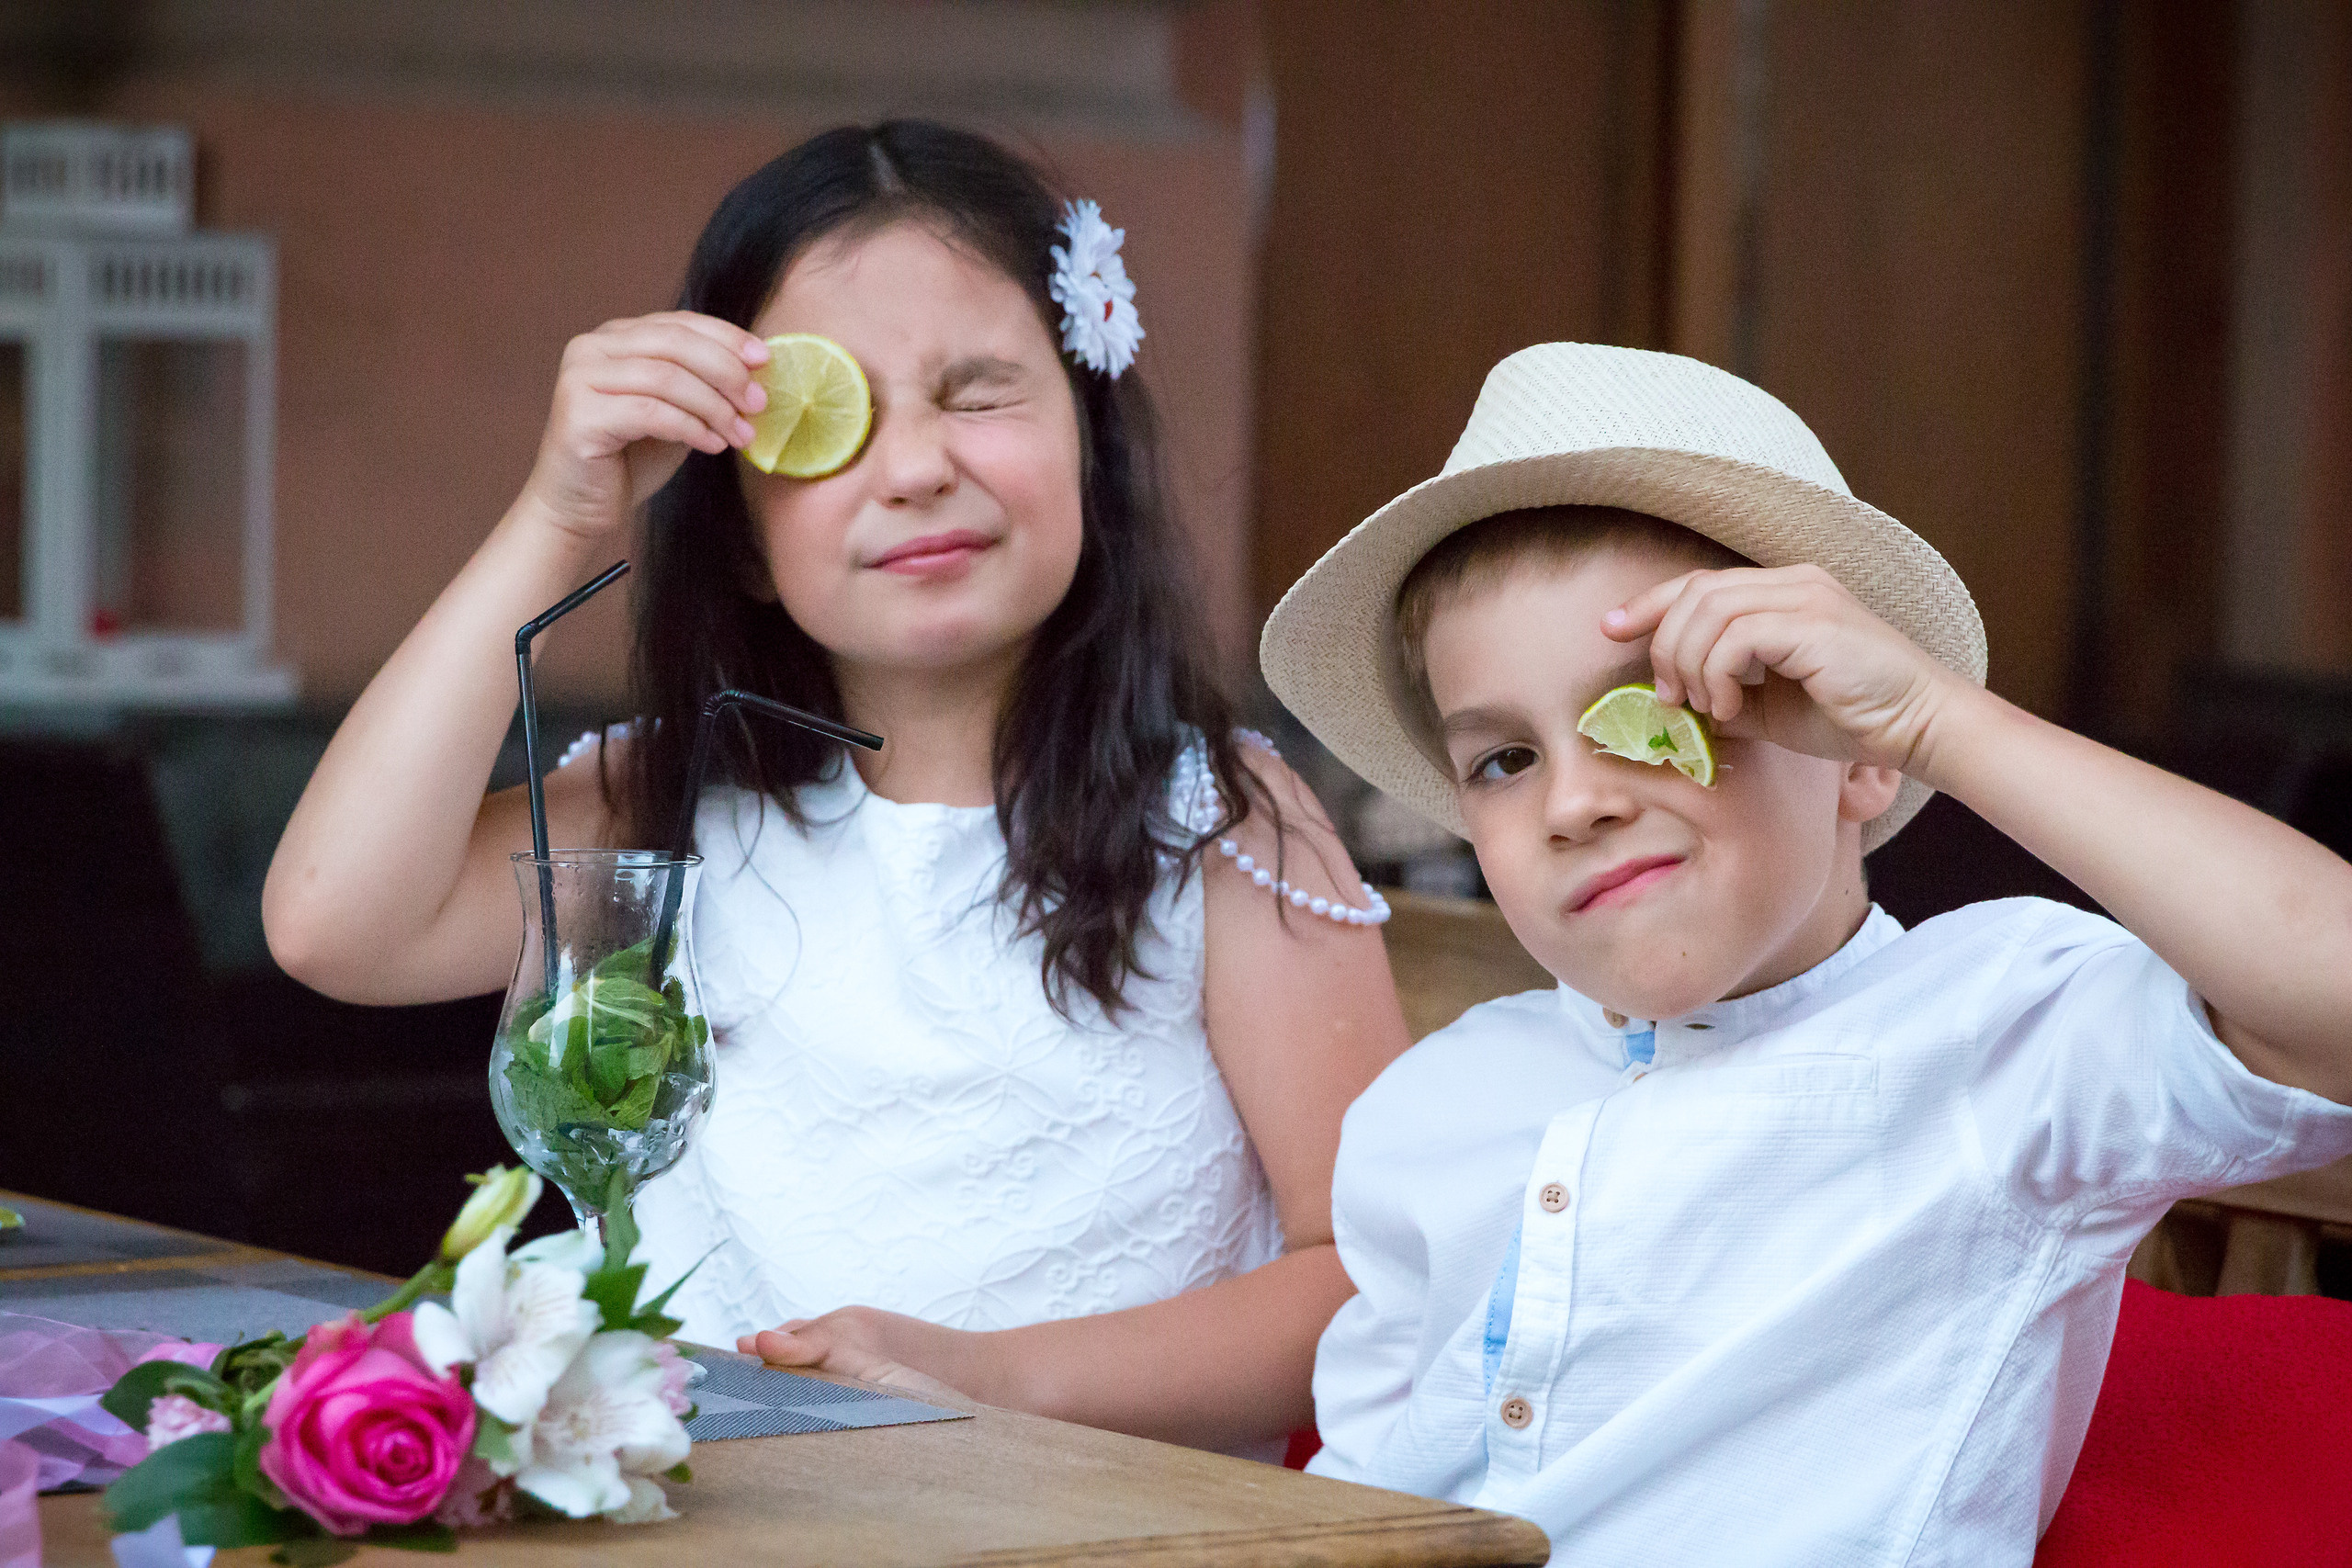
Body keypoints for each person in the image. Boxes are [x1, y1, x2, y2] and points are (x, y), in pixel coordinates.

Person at [263, 121, 1410, 1457]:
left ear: (1091, 447)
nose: (917, 467)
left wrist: (985, 1376)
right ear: (739, 533)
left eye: (978, 394)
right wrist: (556, 516)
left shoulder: (1220, 826)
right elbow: (333, 923)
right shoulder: (661, 806)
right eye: (834, 420)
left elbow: (1373, 1276)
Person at [1257, 342, 2352, 1560]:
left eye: (1651, 705)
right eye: (1505, 760)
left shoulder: (1999, 1035)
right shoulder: (1431, 1107)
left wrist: (1939, 717)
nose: (1573, 803)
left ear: (1860, 753)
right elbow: (1358, 1502)